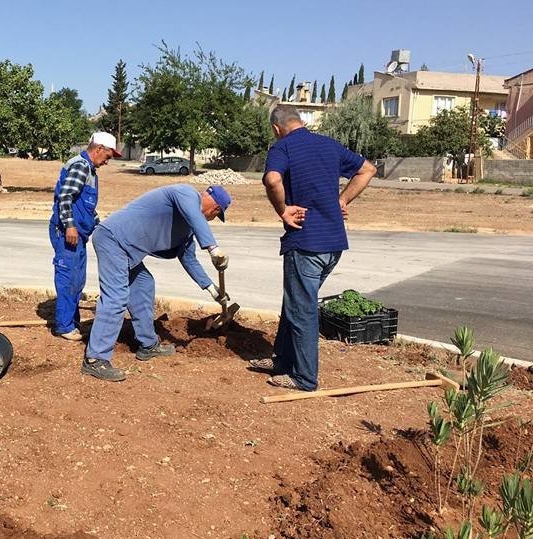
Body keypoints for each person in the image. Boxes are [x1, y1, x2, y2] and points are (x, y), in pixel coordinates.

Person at [252, 105, 377, 391]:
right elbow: (367, 169)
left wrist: (282, 210)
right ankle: (282, 360)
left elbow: (272, 179)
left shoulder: (282, 148)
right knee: (295, 302)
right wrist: (342, 200)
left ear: (276, 128)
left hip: (306, 244)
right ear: (301, 120)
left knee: (302, 310)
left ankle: (304, 377)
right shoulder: (328, 144)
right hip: (333, 244)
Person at [81, 184, 232, 382]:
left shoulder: (187, 228)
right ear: (216, 209)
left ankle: (148, 345)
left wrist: (212, 288)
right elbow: (197, 219)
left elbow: (189, 259)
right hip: (113, 240)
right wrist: (213, 249)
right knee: (116, 297)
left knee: (144, 285)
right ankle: (95, 359)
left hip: (128, 251)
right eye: (214, 216)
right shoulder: (185, 194)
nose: (210, 219)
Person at [49, 132, 121, 340]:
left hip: (78, 234)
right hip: (67, 233)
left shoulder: (90, 170)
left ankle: (72, 322)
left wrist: (102, 226)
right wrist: (69, 225)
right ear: (98, 149)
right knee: (68, 277)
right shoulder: (81, 166)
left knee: (77, 279)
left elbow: (85, 207)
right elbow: (65, 196)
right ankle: (64, 326)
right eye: (107, 156)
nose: (107, 162)